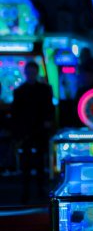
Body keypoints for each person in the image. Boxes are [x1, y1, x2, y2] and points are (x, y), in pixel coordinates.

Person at [12, 61, 55, 203]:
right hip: (27, 132)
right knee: (26, 164)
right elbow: (16, 115)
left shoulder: (43, 90)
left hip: (39, 131)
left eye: (33, 72)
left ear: (36, 73)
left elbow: (49, 110)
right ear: (26, 73)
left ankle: (38, 190)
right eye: (29, 72)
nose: (31, 75)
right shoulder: (20, 91)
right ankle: (27, 191)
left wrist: (48, 123)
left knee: (39, 163)